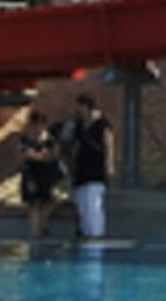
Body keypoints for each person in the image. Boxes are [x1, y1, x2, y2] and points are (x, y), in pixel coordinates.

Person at [67, 92, 112, 239]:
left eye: (79, 106)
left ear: (86, 106)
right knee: (81, 201)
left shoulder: (102, 123)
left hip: (96, 165)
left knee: (93, 201)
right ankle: (86, 231)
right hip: (82, 165)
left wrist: (109, 163)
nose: (77, 110)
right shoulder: (79, 124)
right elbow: (74, 144)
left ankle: (96, 232)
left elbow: (108, 143)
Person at [17, 107, 64, 240]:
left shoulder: (50, 139)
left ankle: (42, 224)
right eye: (36, 124)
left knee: (50, 201)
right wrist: (40, 156)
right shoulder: (26, 139)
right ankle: (35, 233)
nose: (38, 127)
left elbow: (54, 155)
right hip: (31, 174)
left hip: (47, 174)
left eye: (41, 124)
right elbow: (22, 155)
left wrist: (35, 155)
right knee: (33, 204)